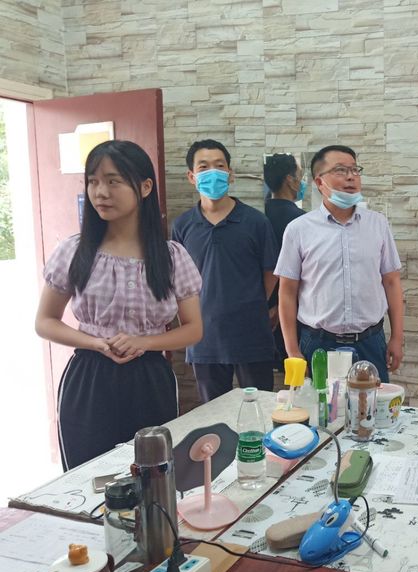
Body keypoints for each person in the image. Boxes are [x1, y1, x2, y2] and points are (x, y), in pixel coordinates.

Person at [35, 140, 202, 469]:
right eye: (93, 181)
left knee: (152, 476)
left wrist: (144, 342)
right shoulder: (74, 251)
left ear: (145, 187)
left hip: (150, 377)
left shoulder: (171, 257)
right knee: (87, 476)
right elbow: (45, 321)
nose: (100, 192)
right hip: (88, 378)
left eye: (113, 181)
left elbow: (194, 329)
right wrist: (95, 342)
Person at [275, 145, 404, 383]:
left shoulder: (378, 224)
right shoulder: (298, 229)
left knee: (372, 405)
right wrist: (292, 349)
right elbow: (287, 292)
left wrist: (397, 338)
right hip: (318, 343)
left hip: (370, 341)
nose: (350, 176)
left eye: (355, 170)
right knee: (321, 405)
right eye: (340, 170)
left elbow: (392, 282)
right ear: (319, 182)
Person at [172, 139, 279, 403]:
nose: (213, 172)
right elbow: (177, 279)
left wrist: (251, 305)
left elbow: (271, 273)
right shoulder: (182, 226)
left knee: (259, 411)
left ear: (230, 174)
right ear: (191, 176)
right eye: (204, 167)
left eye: (219, 166)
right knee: (213, 414)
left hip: (251, 336)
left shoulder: (256, 222)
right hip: (204, 337)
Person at [263, 153, 306, 367]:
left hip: (262, 306)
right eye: (300, 176)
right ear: (290, 179)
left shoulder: (257, 216)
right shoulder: (301, 220)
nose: (302, 182)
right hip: (291, 309)